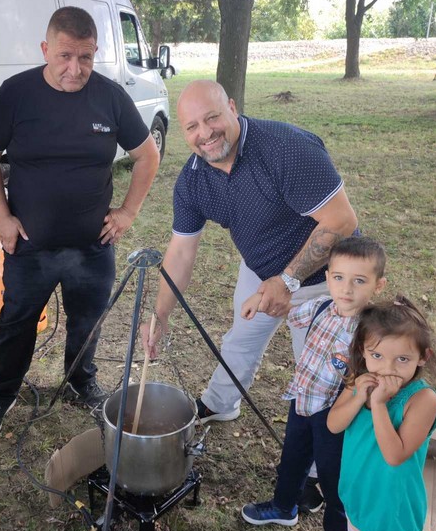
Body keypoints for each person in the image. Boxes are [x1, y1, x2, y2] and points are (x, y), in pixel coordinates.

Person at [0, 6, 160, 440]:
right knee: (16, 323)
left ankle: (81, 380)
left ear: (95, 53)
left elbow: (147, 155)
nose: (75, 69)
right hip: (28, 246)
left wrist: (128, 211)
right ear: (45, 49)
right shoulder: (17, 93)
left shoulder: (110, 97)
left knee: (88, 321)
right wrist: (1, 217)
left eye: (86, 57)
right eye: (64, 57)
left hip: (91, 246)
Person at [143, 80, 358, 424]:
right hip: (262, 269)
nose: (205, 133)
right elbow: (181, 252)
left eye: (212, 118)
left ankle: (318, 469)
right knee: (241, 340)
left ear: (232, 107)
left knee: (320, 374)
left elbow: (342, 220)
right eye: (192, 126)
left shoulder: (285, 148)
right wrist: (161, 314)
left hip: (330, 277)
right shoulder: (192, 182)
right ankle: (220, 403)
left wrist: (287, 281)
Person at [240, 237, 387, 531]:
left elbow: (389, 366)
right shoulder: (322, 306)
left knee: (335, 481)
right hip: (302, 400)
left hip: (337, 417)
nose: (346, 289)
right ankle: (283, 505)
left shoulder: (372, 333)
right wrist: (259, 300)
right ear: (328, 276)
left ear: (378, 285)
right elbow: (288, 309)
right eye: (338, 278)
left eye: (359, 281)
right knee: (293, 458)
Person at [325, 297, 436, 531]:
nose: (388, 368)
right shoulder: (361, 381)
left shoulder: (423, 400)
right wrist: (359, 395)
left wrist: (377, 405)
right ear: (362, 350)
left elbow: (395, 454)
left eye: (402, 359)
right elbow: (333, 424)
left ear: (423, 357)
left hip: (390, 511)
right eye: (377, 356)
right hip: (360, 498)